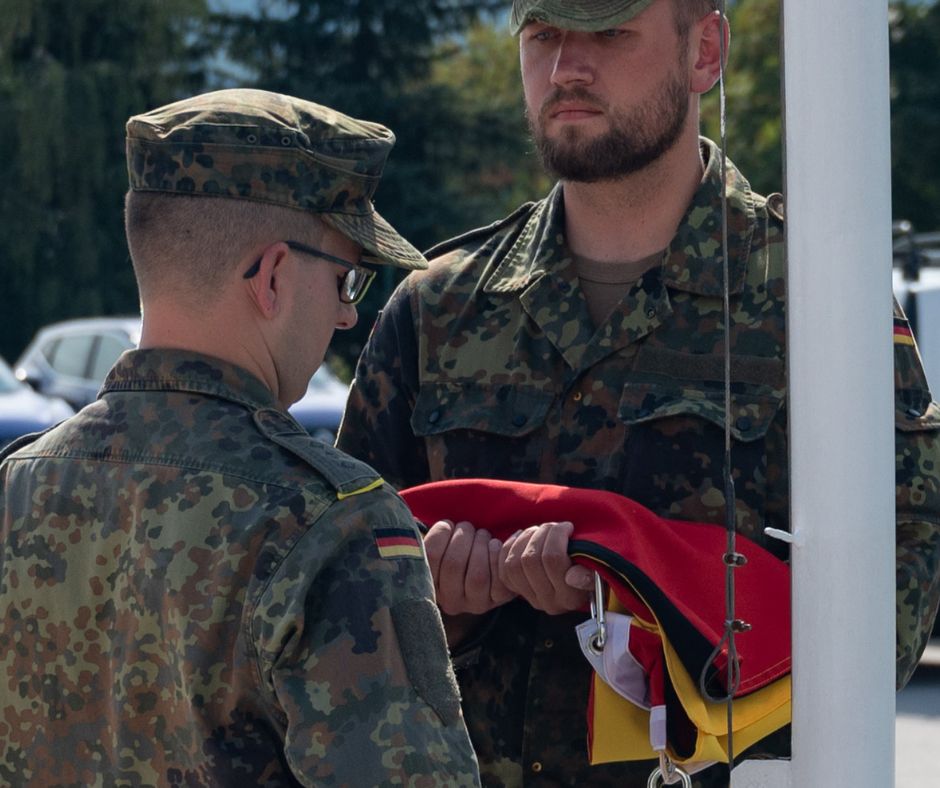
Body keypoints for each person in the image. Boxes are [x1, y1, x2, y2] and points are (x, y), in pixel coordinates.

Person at [337, 1, 940, 785]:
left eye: (610, 32)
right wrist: (440, 610)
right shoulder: (438, 311)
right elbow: (341, 604)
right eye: (544, 36)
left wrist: (665, 612)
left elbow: (903, 576)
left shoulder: (813, 296)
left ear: (706, 50)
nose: (565, 69)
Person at [0, 88, 480, 787]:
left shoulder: (16, 490)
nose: (348, 317)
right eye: (347, 281)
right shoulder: (332, 520)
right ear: (274, 276)